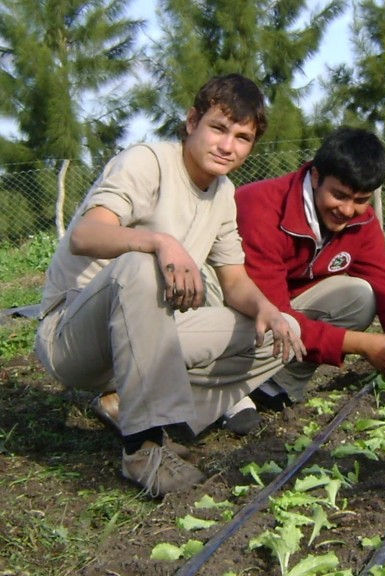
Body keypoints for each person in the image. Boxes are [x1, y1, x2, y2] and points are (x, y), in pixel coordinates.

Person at [34, 74, 306, 497]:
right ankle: (143, 449)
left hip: (148, 340)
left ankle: (157, 417)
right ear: (193, 121)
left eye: (242, 137)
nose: (227, 146)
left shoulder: (223, 193)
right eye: (218, 128)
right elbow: (85, 235)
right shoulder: (147, 161)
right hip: (74, 334)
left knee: (278, 330)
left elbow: (234, 281)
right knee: (141, 267)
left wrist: (269, 310)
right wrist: (160, 242)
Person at [230, 126, 385, 418]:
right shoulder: (262, 206)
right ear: (315, 177)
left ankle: (276, 387)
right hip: (243, 307)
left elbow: (383, 282)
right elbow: (274, 310)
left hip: (287, 310)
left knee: (360, 296)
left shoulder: (361, 221)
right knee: (271, 321)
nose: (348, 210)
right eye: (339, 196)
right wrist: (363, 345)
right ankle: (228, 385)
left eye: (361, 200)